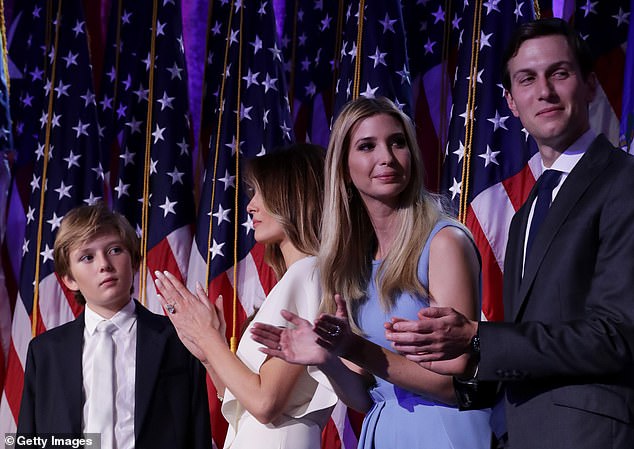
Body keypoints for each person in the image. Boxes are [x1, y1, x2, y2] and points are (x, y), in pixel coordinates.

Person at [384, 18, 634, 449]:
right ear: (512, 102)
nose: (544, 91)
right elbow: (527, 346)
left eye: (560, 73)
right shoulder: (527, 211)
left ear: (591, 84)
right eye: (527, 79)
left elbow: (616, 336)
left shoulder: (623, 182)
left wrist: (475, 336)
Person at [251, 97, 492, 449]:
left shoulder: (444, 242)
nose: (387, 158)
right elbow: (364, 398)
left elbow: (455, 379)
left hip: (445, 432)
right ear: (344, 169)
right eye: (367, 146)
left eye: (398, 142)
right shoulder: (352, 265)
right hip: (383, 430)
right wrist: (327, 360)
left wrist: (355, 347)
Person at [153, 144, 338, 449]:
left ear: (292, 196)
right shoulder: (296, 278)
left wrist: (209, 338)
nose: (250, 206)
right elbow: (244, 398)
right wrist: (208, 352)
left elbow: (266, 402)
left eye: (260, 193)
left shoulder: (308, 273)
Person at [17, 203, 211, 449]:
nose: (104, 264)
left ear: (134, 260)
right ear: (69, 278)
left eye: (115, 250)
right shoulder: (45, 351)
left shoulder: (178, 338)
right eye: (87, 257)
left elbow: (197, 431)